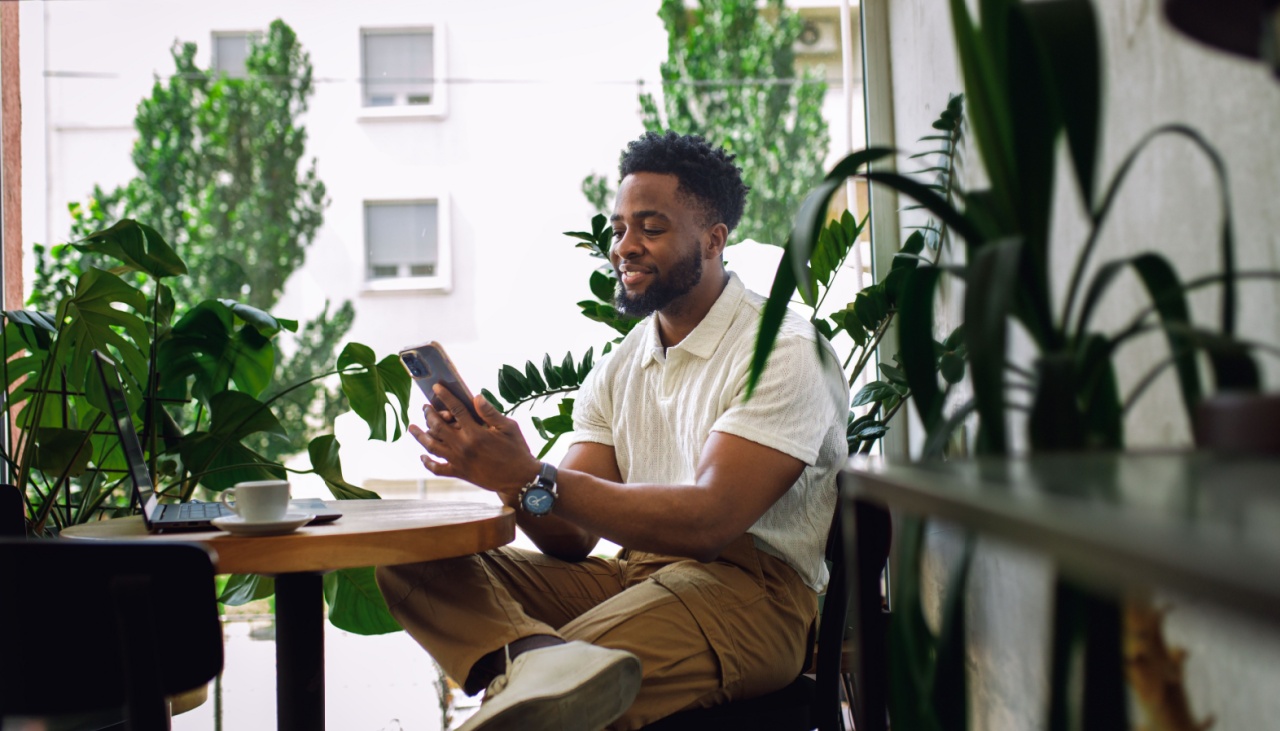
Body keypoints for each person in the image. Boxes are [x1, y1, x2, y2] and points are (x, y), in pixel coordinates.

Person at [375, 130, 849, 731]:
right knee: (412, 563)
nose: (625, 246)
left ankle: (546, 678)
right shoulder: (622, 366)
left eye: (650, 228)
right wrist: (504, 477)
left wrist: (532, 475)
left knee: (552, 701)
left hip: (748, 592)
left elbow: (709, 522)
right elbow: (569, 538)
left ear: (713, 238)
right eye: (619, 228)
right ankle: (539, 664)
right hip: (632, 575)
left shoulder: (783, 350)